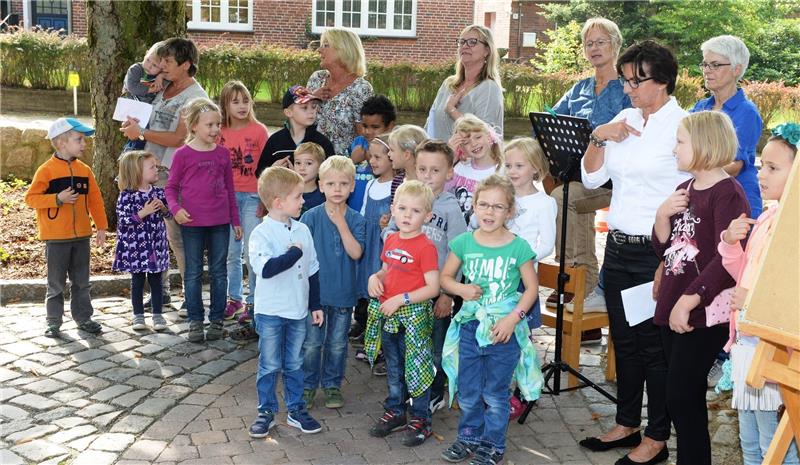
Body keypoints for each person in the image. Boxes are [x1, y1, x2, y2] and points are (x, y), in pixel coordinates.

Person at [578, 40, 690, 465]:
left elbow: (692, 196)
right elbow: (591, 180)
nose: (626, 89)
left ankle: (657, 438)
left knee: (653, 348)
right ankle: (627, 424)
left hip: (656, 252)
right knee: (623, 341)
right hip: (618, 247)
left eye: (634, 81)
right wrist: (598, 136)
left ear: (661, 81)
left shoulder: (682, 125)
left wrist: (668, 258)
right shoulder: (623, 118)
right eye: (625, 80)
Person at [652, 111, 749, 465]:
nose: (674, 149)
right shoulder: (685, 189)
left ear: (704, 145)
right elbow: (666, 249)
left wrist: (690, 299)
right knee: (683, 396)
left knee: (681, 395)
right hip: (675, 305)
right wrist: (662, 215)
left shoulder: (728, 194)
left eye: (680, 142)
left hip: (703, 311)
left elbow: (726, 259)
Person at [439, 175, 541, 465]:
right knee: (468, 390)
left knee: (495, 394)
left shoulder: (518, 247)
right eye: (483, 204)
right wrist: (461, 289)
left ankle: (493, 444)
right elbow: (445, 278)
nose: (489, 212)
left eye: (498, 206)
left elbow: (531, 289)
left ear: (509, 211)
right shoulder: (464, 243)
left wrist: (513, 319)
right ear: (474, 206)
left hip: (502, 329)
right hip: (471, 326)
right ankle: (468, 437)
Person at [718, 123, 800, 465]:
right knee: (749, 441)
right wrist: (729, 243)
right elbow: (743, 274)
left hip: (771, 348)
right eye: (761, 164)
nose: (761, 174)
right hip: (746, 344)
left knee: (775, 444)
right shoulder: (766, 218)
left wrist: (752, 302)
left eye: (773, 168)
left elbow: (788, 295)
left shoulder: (792, 230)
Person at [547, 18, 632, 317]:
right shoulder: (579, 88)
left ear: (615, 45)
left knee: (564, 198)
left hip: (612, 180)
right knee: (568, 199)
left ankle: (568, 276)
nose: (594, 48)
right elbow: (548, 121)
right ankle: (588, 307)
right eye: (589, 43)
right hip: (578, 176)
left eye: (601, 42)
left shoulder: (627, 90)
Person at [120, 38, 208, 313]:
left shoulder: (195, 97)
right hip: (151, 173)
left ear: (186, 65)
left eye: (169, 61)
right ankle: (162, 292)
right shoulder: (164, 86)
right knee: (155, 233)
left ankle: (191, 296)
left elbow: (180, 138)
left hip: (175, 175)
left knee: (178, 236)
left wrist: (141, 133)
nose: (163, 65)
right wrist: (134, 124)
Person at [384, 140, 469, 413]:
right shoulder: (408, 200)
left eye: (435, 170)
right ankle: (411, 390)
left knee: (435, 346)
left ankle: (434, 392)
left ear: (449, 173)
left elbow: (458, 252)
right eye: (422, 169)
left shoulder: (450, 207)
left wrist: (447, 294)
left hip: (436, 292)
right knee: (410, 346)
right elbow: (390, 235)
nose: (427, 176)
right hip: (406, 291)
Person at [247, 166, 324, 438]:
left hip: (297, 310)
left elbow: (313, 269)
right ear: (279, 202)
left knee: (294, 363)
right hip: (270, 312)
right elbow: (267, 269)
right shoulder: (261, 234)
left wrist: (315, 305)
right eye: (298, 196)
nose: (303, 201)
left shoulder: (303, 230)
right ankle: (266, 412)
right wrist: (293, 254)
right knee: (269, 364)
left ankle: (296, 409)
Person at [366, 180, 440, 447]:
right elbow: (386, 270)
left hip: (413, 318)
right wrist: (375, 277)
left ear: (427, 216)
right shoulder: (391, 239)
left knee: (417, 368)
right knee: (394, 366)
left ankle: (421, 418)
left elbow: (433, 287)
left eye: (416, 211)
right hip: (389, 316)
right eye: (403, 208)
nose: (408, 215)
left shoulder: (426, 247)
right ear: (393, 209)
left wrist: (402, 298)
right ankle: (396, 410)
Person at [165, 98, 241, 343]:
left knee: (219, 272)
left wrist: (236, 221)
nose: (215, 129)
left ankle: (217, 319)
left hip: (220, 222)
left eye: (218, 124)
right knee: (193, 272)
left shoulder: (222, 154)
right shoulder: (182, 155)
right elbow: (170, 188)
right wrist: (176, 209)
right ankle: (195, 320)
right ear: (194, 126)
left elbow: (230, 190)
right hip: (192, 224)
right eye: (209, 125)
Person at [25, 118, 108, 338]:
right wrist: (57, 199)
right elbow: (31, 199)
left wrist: (101, 227)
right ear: (62, 143)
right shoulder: (46, 170)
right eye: (79, 139)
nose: (84, 144)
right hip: (56, 238)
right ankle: (53, 322)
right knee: (56, 284)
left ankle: (84, 318)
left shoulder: (85, 170)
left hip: (82, 237)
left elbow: (95, 200)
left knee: (82, 282)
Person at [300, 156, 366, 409]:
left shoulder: (357, 220)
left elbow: (356, 252)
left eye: (343, 183)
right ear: (321, 186)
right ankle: (307, 385)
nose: (337, 189)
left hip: (343, 295)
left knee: (337, 344)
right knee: (311, 344)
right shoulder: (310, 217)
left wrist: (340, 223)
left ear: (352, 186)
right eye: (331, 184)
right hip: (315, 295)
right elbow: (300, 255)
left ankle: (332, 385)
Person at [691, 35, 763, 219]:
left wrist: (691, 168)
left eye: (715, 65)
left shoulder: (746, 112)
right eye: (705, 64)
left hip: (736, 202)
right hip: (705, 197)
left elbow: (734, 166)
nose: (707, 71)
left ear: (736, 69)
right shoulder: (700, 107)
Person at [217, 81, 269, 326]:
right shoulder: (219, 132)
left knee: (251, 252)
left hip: (252, 197)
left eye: (245, 100)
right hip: (227, 199)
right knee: (231, 252)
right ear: (225, 105)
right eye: (235, 101)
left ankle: (254, 301)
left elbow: (266, 169)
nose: (241, 106)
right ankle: (234, 298)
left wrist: (265, 199)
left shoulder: (259, 131)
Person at [113, 150, 171, 332]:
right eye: (152, 167)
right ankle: (138, 315)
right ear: (137, 172)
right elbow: (123, 221)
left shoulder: (158, 192)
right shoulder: (127, 196)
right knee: (137, 281)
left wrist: (163, 209)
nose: (157, 170)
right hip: (136, 247)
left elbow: (170, 215)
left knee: (156, 281)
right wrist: (143, 213)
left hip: (156, 246)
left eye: (156, 166)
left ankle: (157, 315)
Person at [504, 137, 557, 330]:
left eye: (519, 166)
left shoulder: (545, 203)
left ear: (535, 167)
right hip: (496, 272)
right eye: (508, 165)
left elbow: (547, 245)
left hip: (522, 276)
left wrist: (522, 260)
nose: (512, 171)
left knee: (521, 331)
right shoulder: (502, 196)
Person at [352, 135, 396, 350]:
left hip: (383, 245)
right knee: (365, 285)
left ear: (391, 158)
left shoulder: (396, 186)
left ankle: (380, 336)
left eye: (378, 157)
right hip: (368, 244)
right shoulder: (370, 184)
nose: (372, 161)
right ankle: (366, 327)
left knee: (382, 287)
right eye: (371, 156)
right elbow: (362, 213)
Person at [426, 25, 504, 140]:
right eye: (462, 42)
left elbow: (483, 135)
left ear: (487, 51)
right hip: (439, 151)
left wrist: (452, 110)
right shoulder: (448, 84)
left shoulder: (489, 88)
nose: (465, 46)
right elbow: (430, 124)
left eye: (472, 42)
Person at [307, 28, 374, 156]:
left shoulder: (361, 89)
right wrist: (311, 98)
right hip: (310, 161)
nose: (319, 50)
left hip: (342, 164)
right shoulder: (317, 79)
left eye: (326, 45)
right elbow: (296, 119)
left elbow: (365, 138)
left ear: (343, 50)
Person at [255, 85, 334, 174]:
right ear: (288, 112)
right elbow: (259, 173)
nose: (312, 111)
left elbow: (332, 174)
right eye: (304, 107)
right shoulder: (274, 141)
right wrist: (272, 170)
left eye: (314, 106)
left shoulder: (322, 143)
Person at [445, 114, 503, 226]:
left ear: (489, 137)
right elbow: (438, 191)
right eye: (466, 143)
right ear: (461, 148)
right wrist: (449, 159)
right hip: (455, 231)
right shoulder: (460, 168)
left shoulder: (501, 172)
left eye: (478, 137)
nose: (473, 144)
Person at [347, 95, 397, 211]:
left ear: (390, 126)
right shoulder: (358, 143)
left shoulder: (393, 148)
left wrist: (368, 157)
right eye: (365, 126)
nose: (368, 132)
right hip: (353, 211)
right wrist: (351, 161)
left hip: (378, 212)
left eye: (375, 127)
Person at [121, 41, 167, 152]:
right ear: (145, 54)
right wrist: (151, 89)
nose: (149, 66)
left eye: (155, 65)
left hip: (146, 111)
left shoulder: (158, 75)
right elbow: (132, 87)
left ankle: (137, 150)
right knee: (135, 132)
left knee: (144, 133)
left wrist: (161, 76)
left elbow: (169, 78)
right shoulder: (136, 69)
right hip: (132, 107)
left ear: (162, 68)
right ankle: (129, 151)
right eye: (148, 60)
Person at [388, 125, 428, 201]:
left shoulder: (427, 182)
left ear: (407, 155)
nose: (389, 154)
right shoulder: (397, 181)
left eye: (392, 150)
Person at [294, 142, 328, 216]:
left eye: (308, 163)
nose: (302, 168)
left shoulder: (325, 196)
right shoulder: (286, 192)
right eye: (298, 163)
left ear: (320, 167)